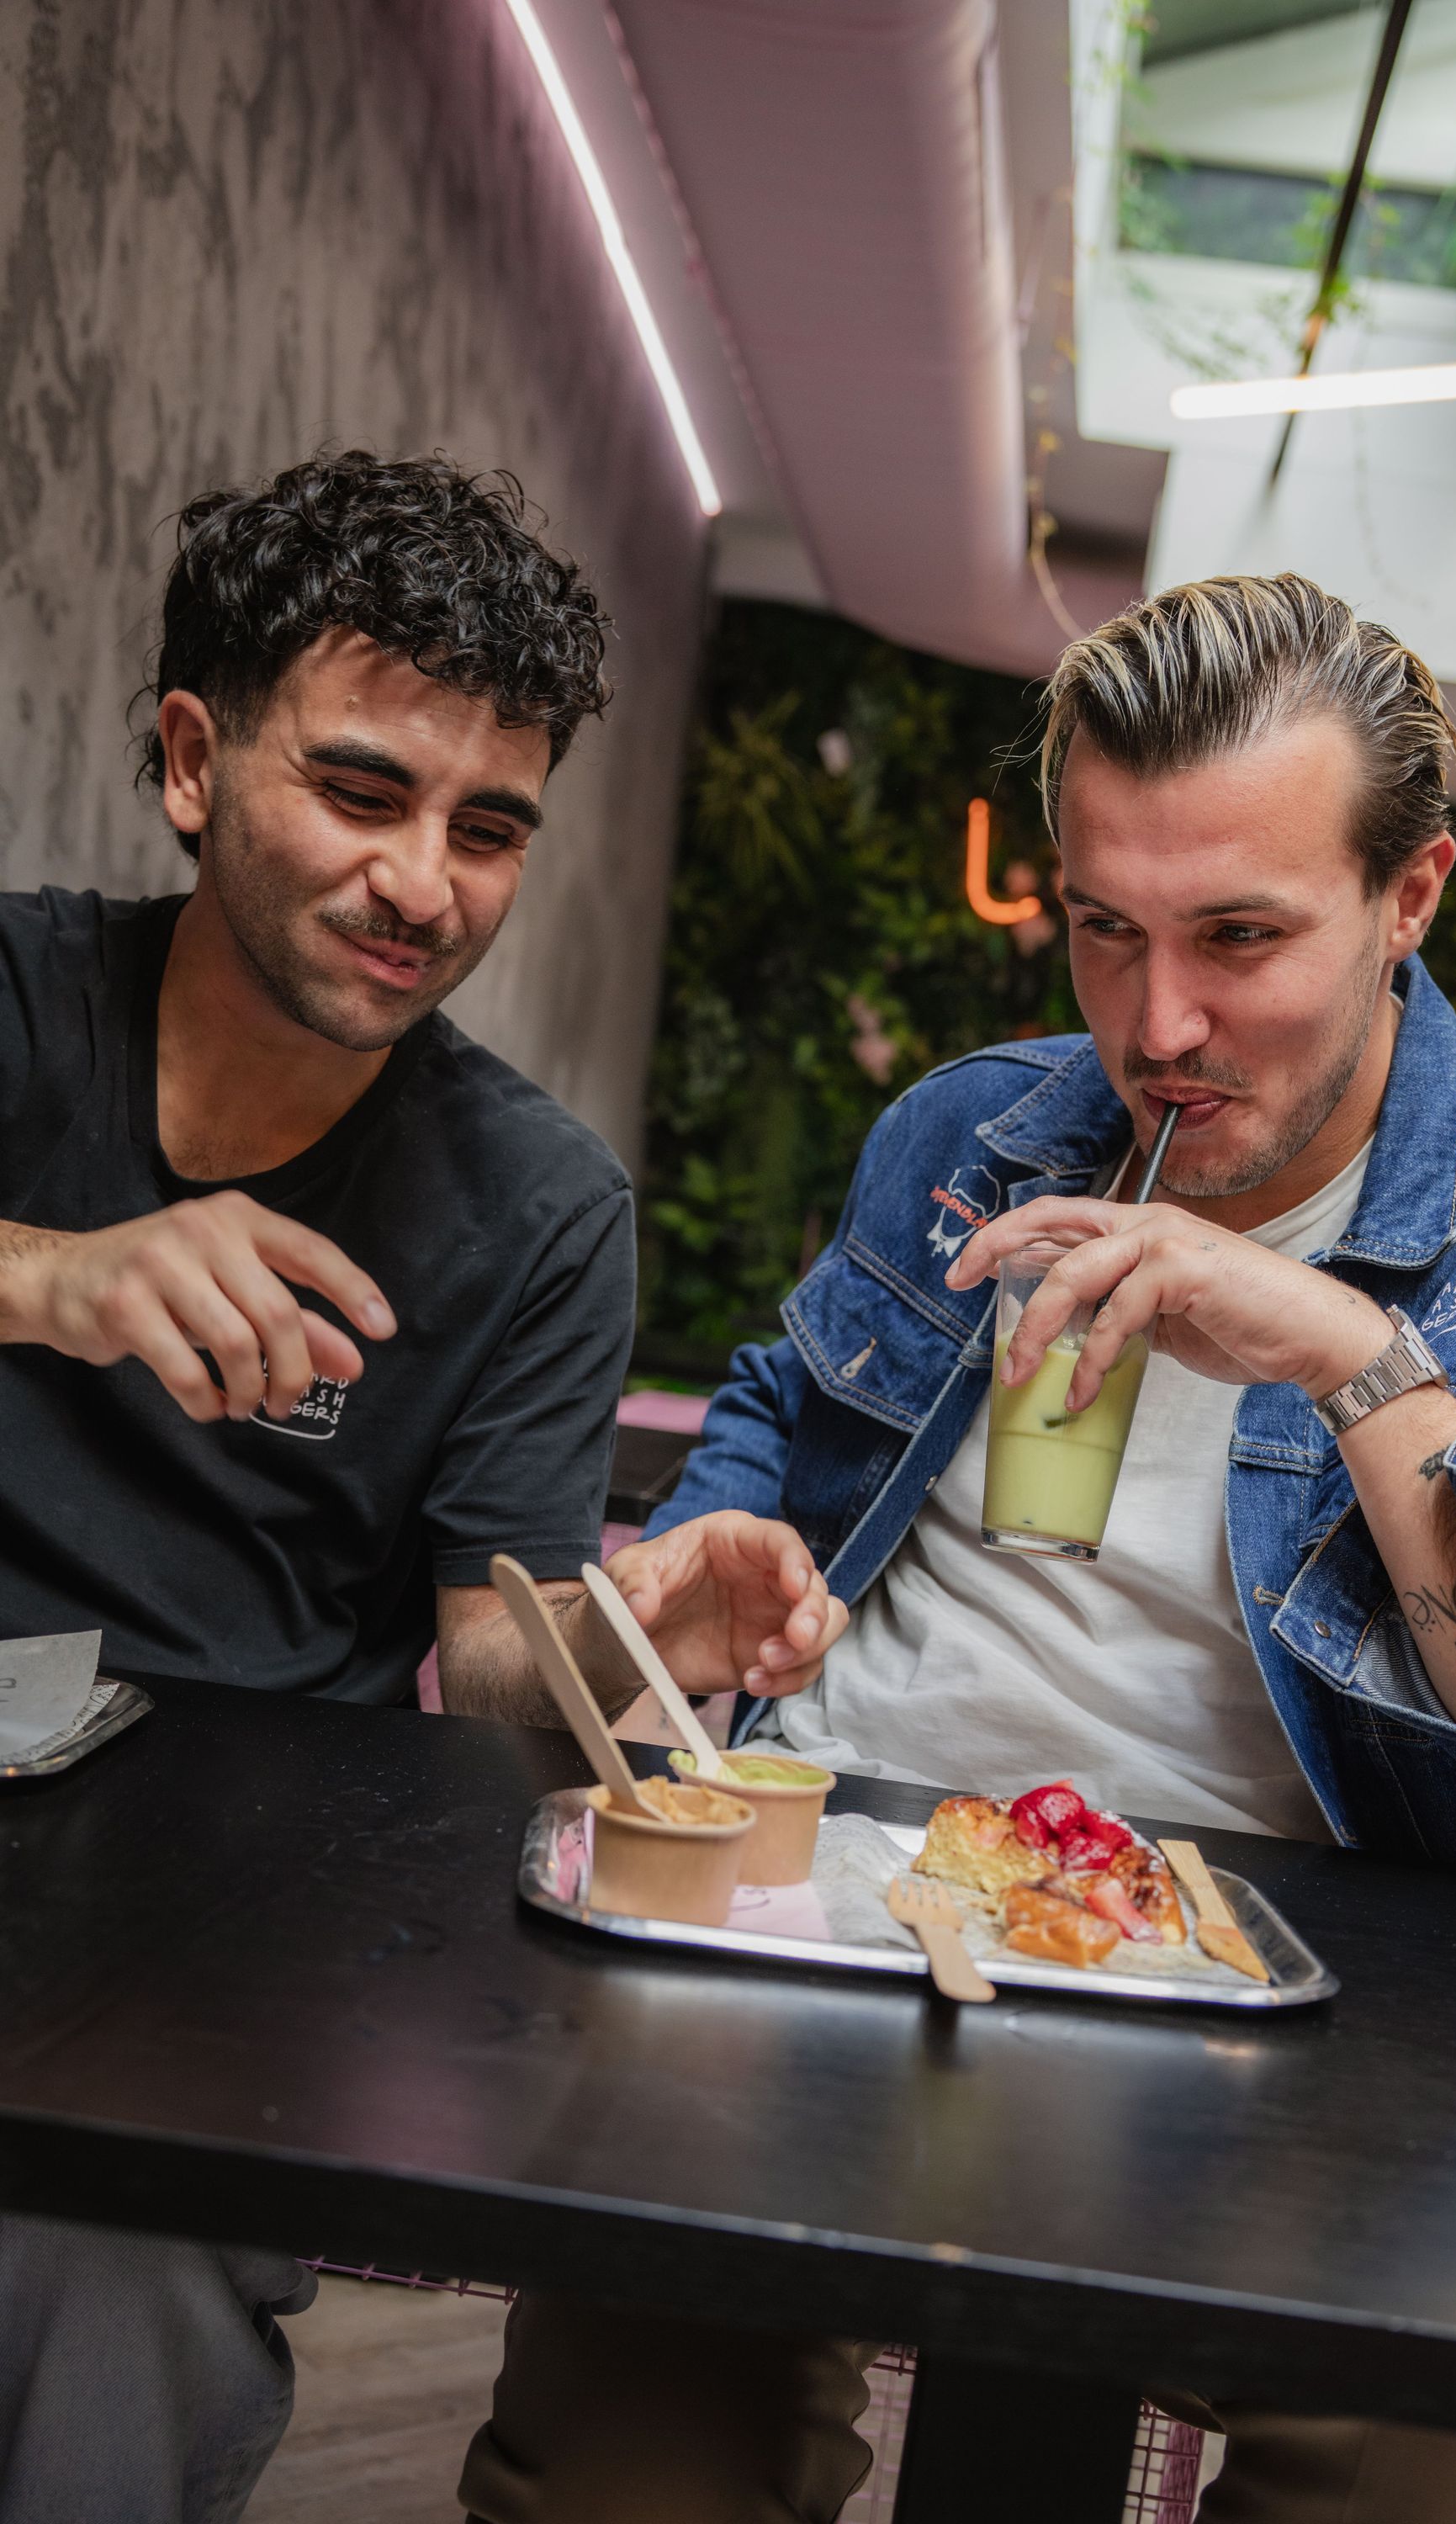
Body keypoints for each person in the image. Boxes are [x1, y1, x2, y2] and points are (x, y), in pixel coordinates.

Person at [479, 575, 1456, 2522]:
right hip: (841, 1921)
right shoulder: (976, 1132)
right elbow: (776, 1435)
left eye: (1238, 938)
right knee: (619, 2458)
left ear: (1414, 896)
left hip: (1310, 2027)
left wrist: (1360, 1369)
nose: (1155, 1023)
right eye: (1103, 929)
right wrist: (691, 1567)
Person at [0, 448, 845, 2524]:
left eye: (488, 830)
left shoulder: (536, 1209)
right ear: (194, 760)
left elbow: (486, 1658)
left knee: (105, 2263)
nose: (424, 886)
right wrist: (49, 1276)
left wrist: (624, 1637)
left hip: (188, 1936)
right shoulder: (18, 1002)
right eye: (363, 794)